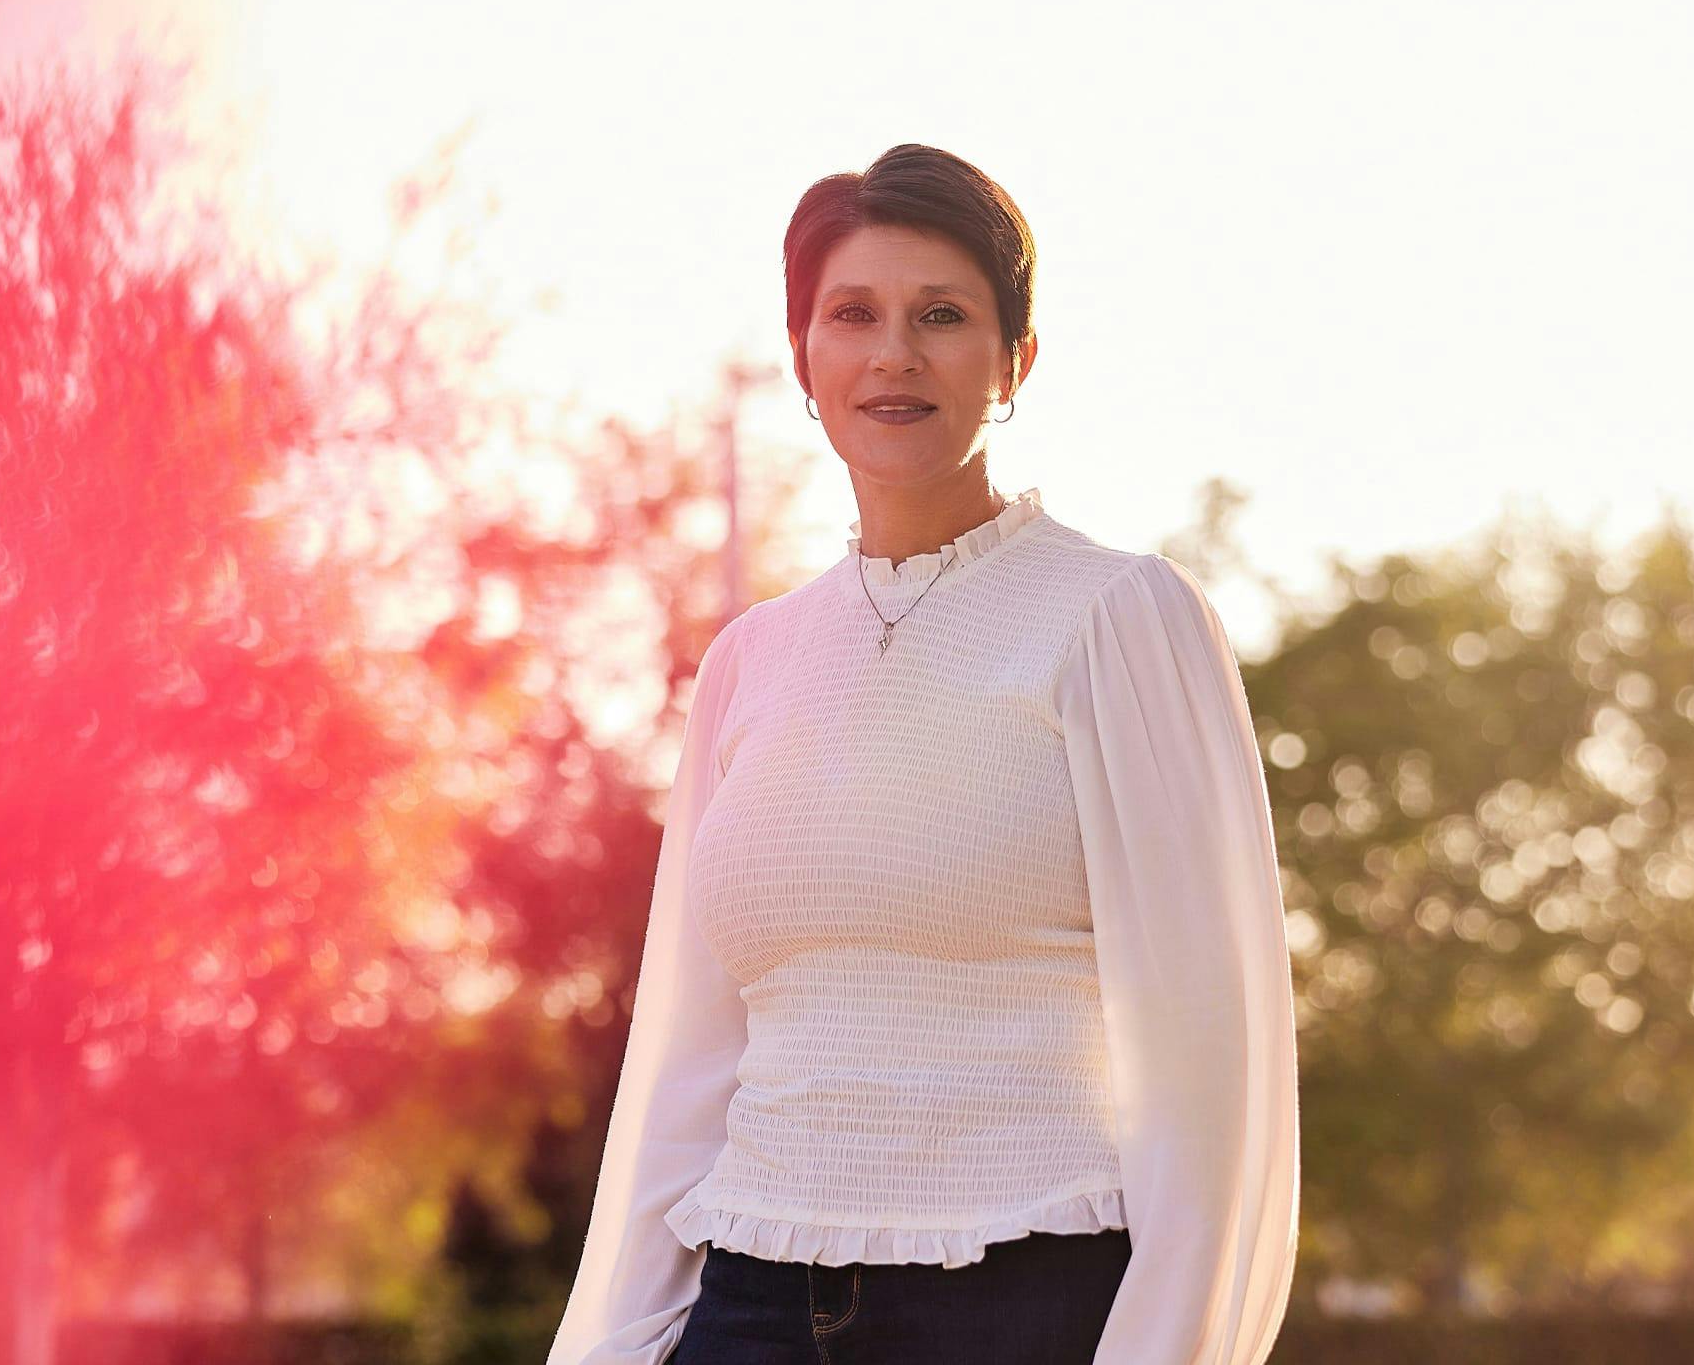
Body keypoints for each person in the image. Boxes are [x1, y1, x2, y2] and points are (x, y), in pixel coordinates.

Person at [545, 144, 1299, 1364]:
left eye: (942, 316)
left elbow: (1215, 1079)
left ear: (1014, 362)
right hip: (744, 1311)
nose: (895, 352)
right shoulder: (749, 663)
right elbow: (686, 1061)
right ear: (805, 359)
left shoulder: (1118, 620)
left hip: (1018, 1309)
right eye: (855, 315)